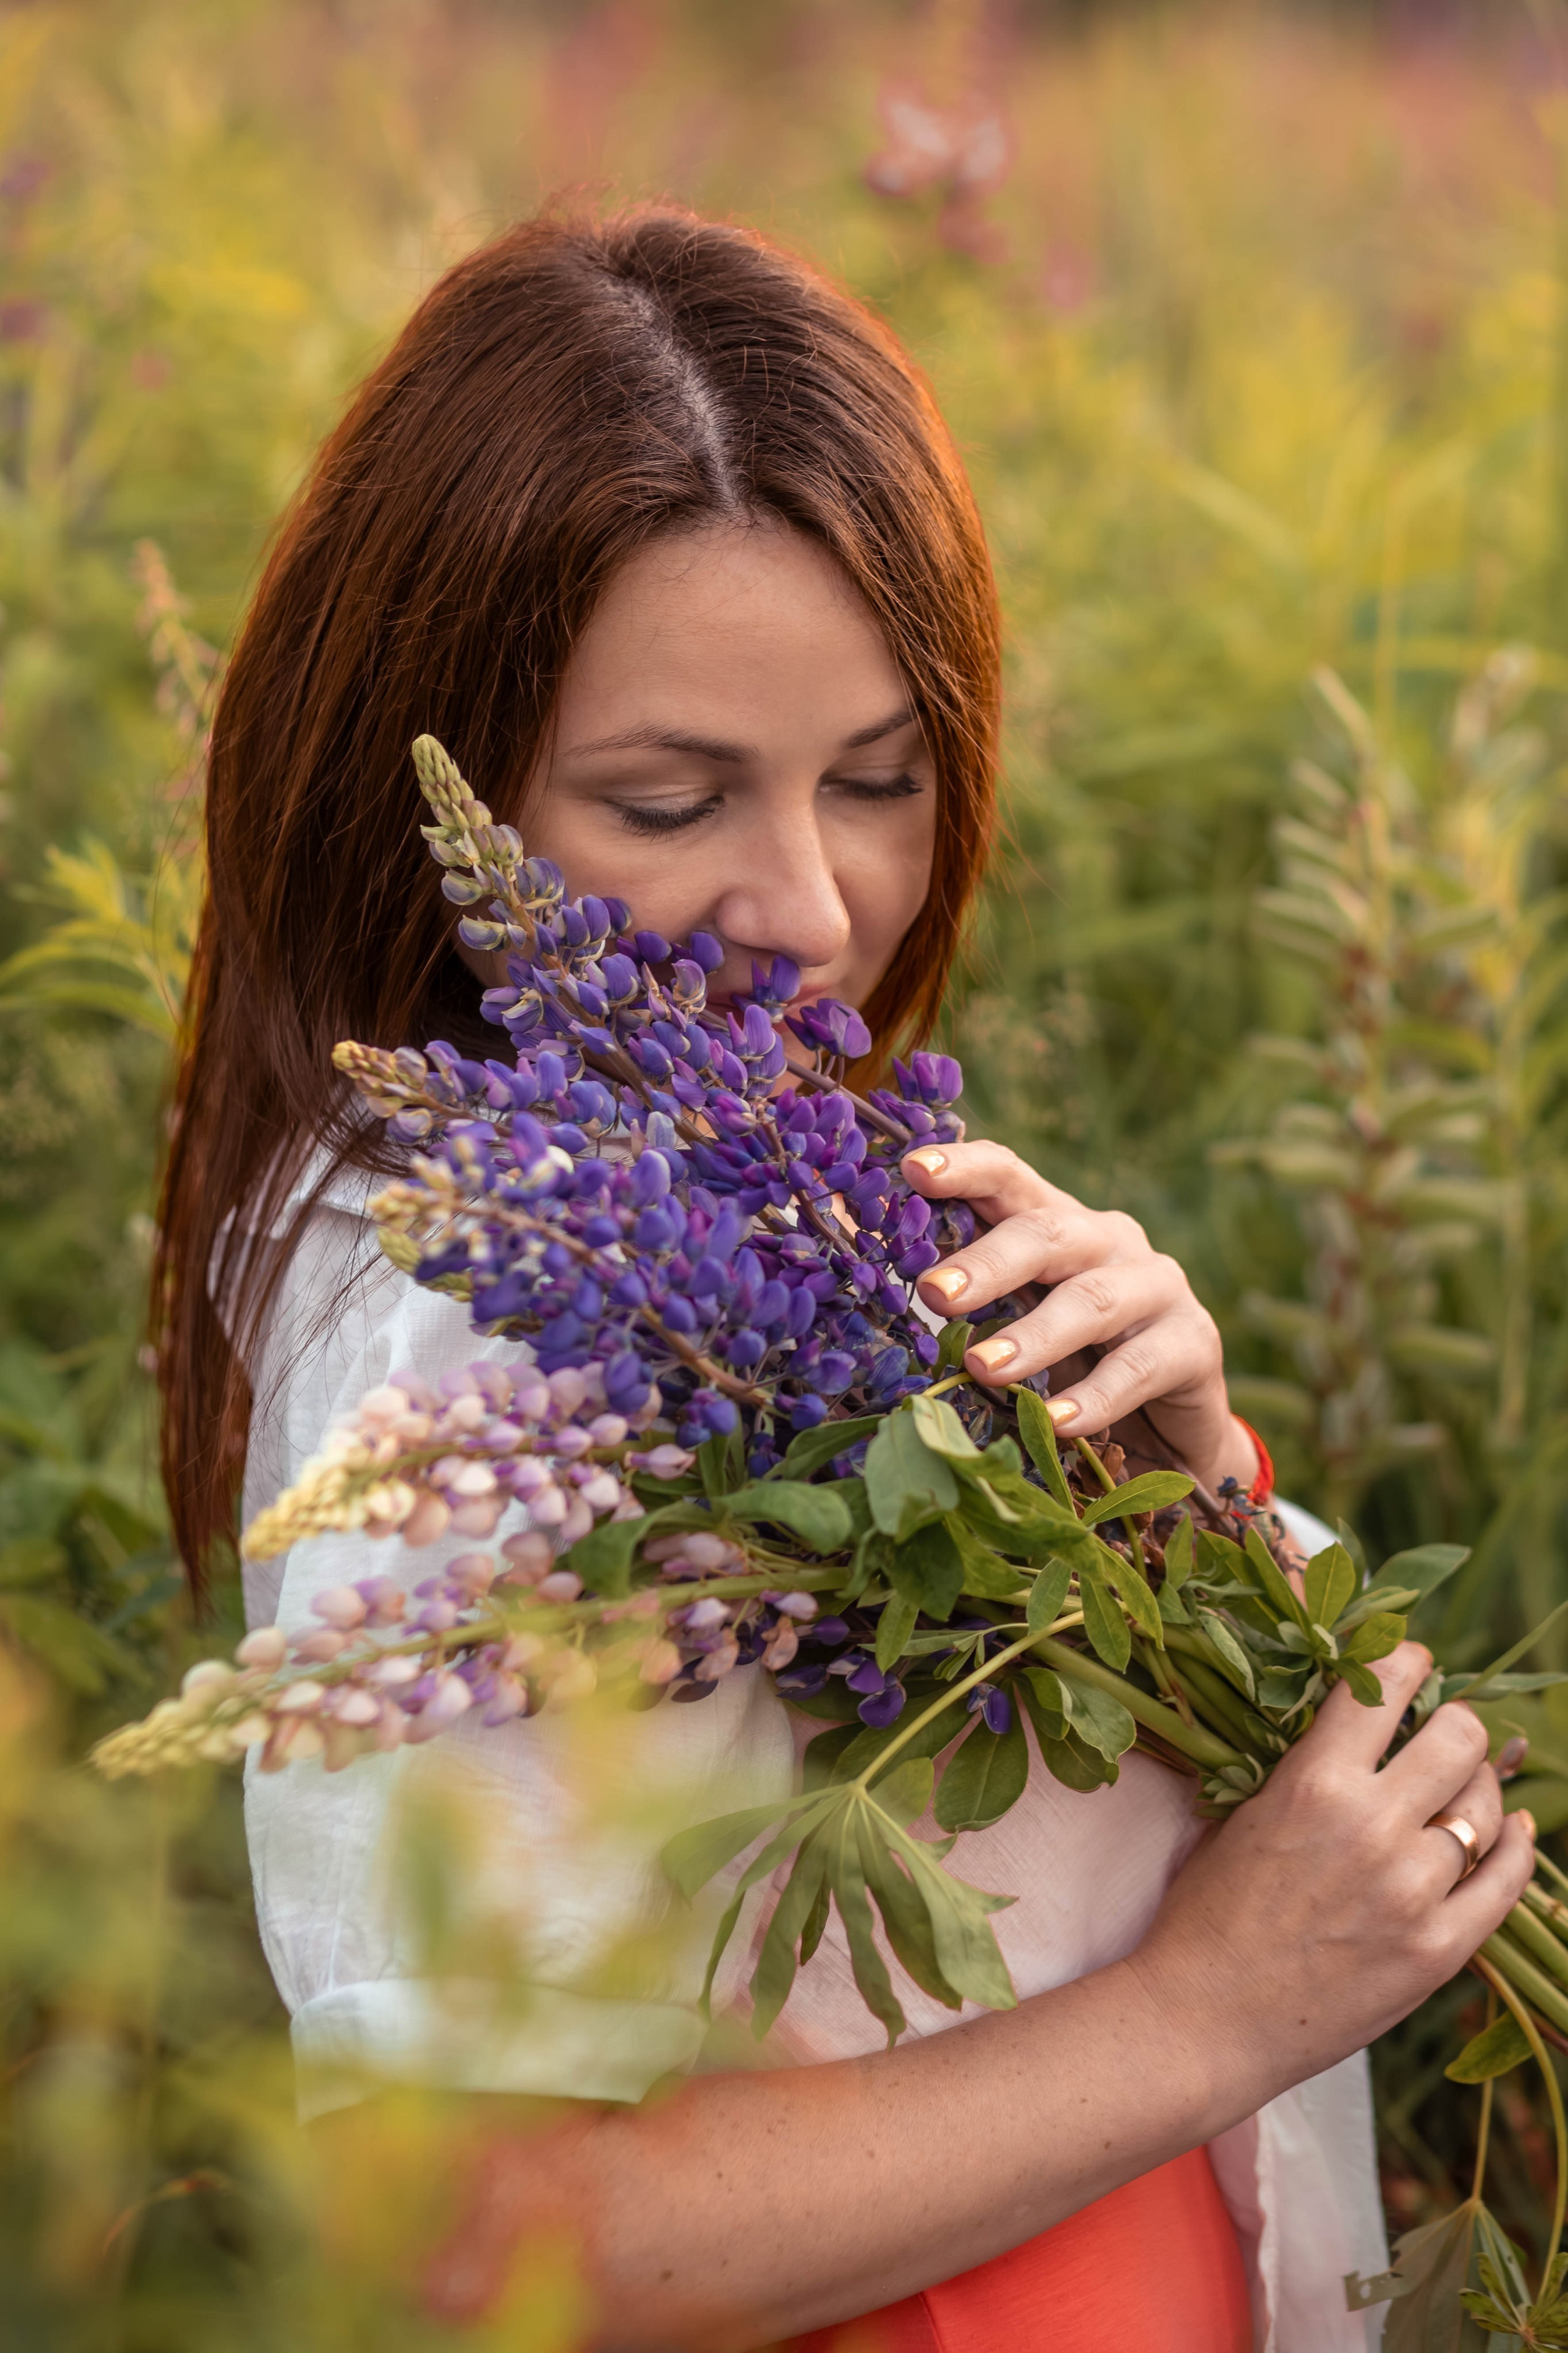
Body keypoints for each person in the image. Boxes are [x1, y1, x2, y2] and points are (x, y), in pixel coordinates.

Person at [156, 206, 1532, 2353]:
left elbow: (1245, 1814)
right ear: (431, 807)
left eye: (881, 778)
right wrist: (1216, 2006)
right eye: (669, 796)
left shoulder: (779, 1176)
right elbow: (469, 2245)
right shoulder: (488, 1311)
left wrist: (1187, 1480)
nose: (811, 903)